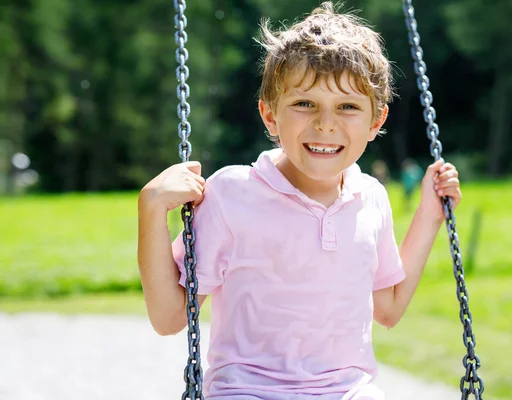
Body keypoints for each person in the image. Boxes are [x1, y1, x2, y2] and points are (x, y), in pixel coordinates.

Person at [137, 3, 461, 399]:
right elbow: (170, 317)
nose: (326, 124)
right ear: (270, 116)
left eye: (348, 107)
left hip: (346, 390)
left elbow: (389, 309)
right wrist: (151, 208)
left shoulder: (370, 198)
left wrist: (430, 212)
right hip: (247, 390)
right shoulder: (232, 194)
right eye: (305, 104)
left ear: (376, 121)